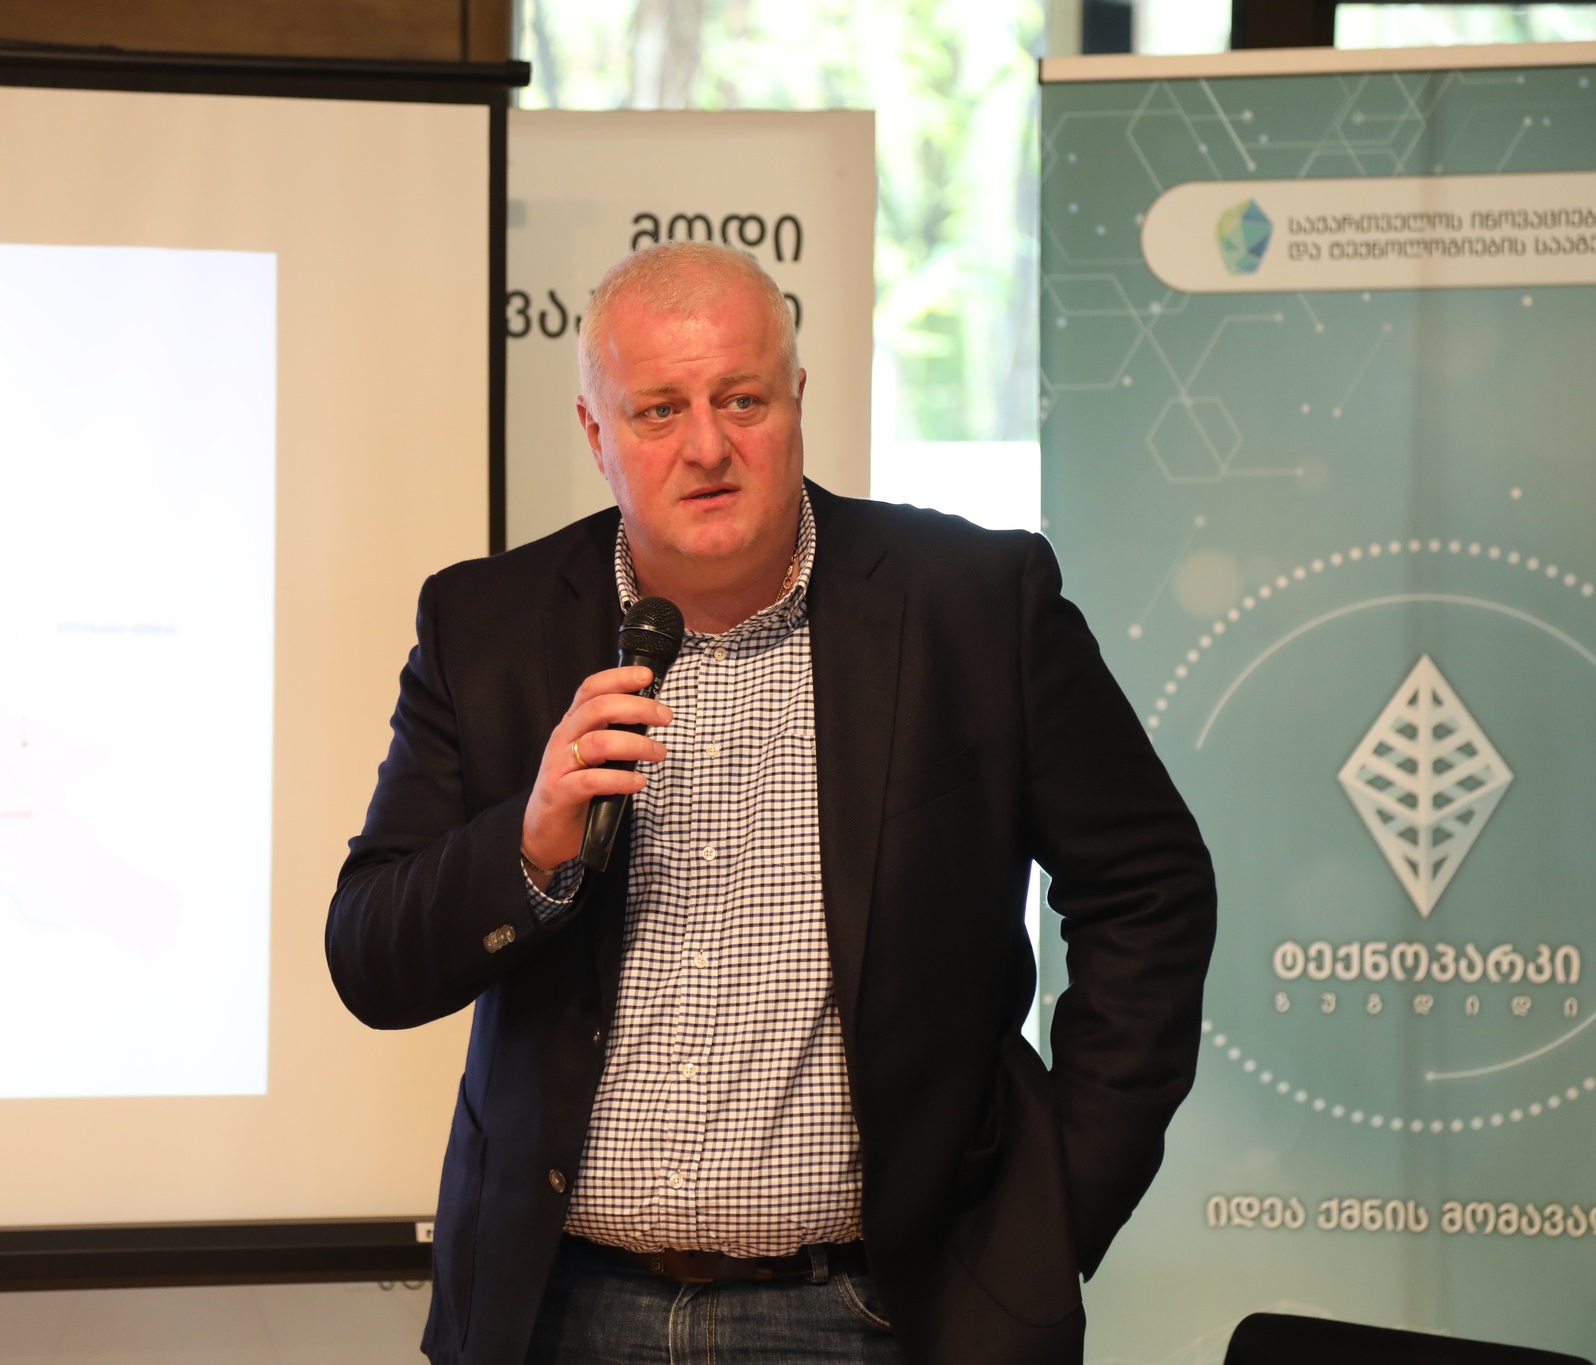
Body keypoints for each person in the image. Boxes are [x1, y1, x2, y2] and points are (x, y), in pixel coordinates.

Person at [326, 241, 1216, 1365]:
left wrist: (1052, 1208)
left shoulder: (974, 603)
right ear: (597, 435)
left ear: (796, 399)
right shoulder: (484, 626)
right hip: (558, 1313)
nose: (707, 446)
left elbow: (1148, 891)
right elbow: (371, 957)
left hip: (876, 1314)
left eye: (740, 399)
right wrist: (528, 845)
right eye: (658, 410)